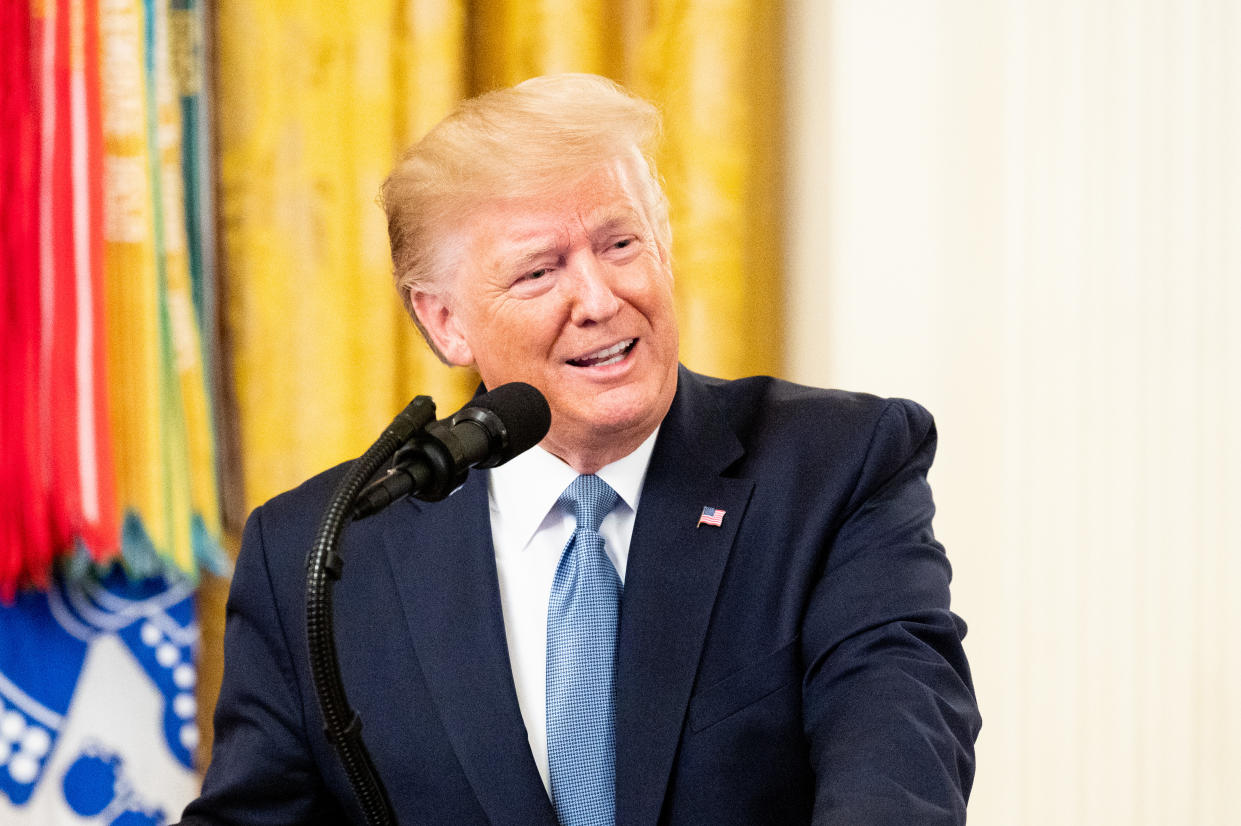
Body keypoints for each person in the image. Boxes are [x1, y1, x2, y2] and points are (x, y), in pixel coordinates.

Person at [179, 74, 980, 825]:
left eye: (620, 244)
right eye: (538, 272)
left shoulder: (833, 469)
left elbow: (897, 771)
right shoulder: (318, 555)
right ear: (445, 322)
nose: (598, 300)